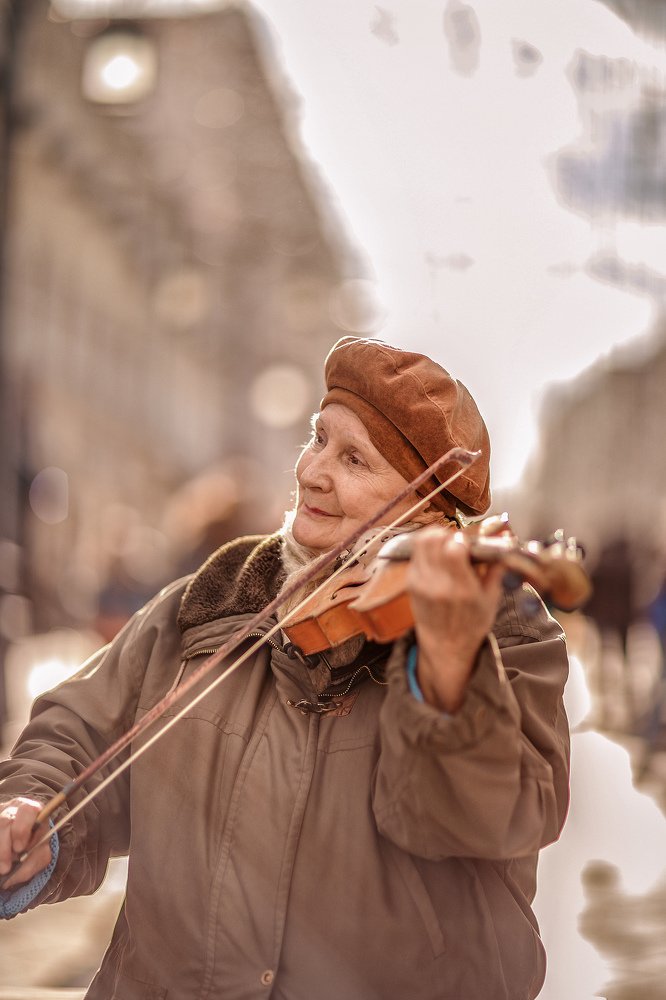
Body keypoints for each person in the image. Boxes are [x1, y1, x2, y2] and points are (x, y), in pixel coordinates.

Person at [0, 337, 570, 1000]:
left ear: (426, 512)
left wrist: (450, 670)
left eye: (353, 458)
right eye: (319, 438)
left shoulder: (506, 636)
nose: (311, 471)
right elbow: (78, 729)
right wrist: (39, 808)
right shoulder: (216, 596)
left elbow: (495, 815)